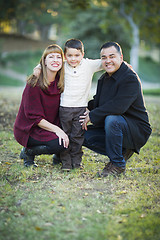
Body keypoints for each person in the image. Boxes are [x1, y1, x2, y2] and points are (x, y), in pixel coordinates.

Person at [80, 41, 152, 177]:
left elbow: (118, 106)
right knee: (81, 135)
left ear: (121, 57)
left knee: (112, 119)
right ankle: (122, 151)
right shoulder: (103, 79)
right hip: (115, 127)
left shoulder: (130, 78)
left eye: (112, 56)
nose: (108, 61)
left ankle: (117, 164)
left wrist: (93, 115)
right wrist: (81, 109)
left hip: (136, 130)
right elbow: (98, 102)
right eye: (104, 57)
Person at [33, 39, 103, 170]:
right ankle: (65, 163)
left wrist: (125, 64)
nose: (73, 59)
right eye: (69, 55)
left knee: (77, 136)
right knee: (65, 135)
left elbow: (106, 62)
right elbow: (45, 63)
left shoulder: (89, 65)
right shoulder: (63, 65)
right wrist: (37, 68)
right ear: (65, 56)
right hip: (64, 108)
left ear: (83, 54)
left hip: (81, 108)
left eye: (77, 55)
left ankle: (76, 163)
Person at [14, 44, 69, 167]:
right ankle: (28, 152)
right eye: (51, 57)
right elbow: (35, 118)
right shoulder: (34, 84)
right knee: (59, 143)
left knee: (69, 138)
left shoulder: (61, 81)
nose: (55, 60)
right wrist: (58, 130)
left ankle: (58, 156)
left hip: (49, 127)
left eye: (58, 57)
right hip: (30, 129)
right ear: (44, 61)